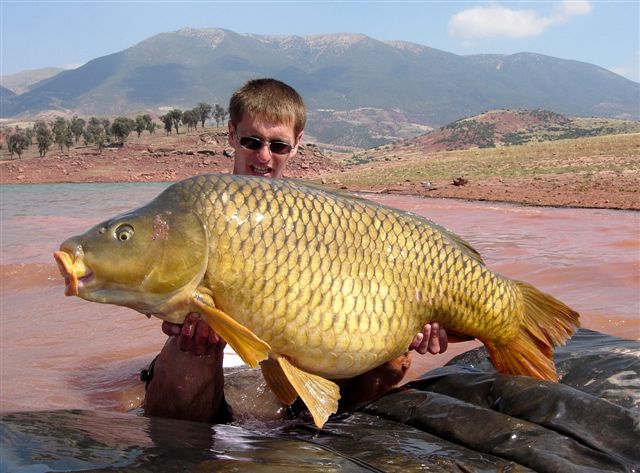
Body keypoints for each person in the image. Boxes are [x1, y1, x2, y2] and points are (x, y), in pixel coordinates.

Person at [143, 78, 448, 422]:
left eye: (278, 146)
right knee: (190, 353)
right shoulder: (202, 209)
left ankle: (312, 428)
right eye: (251, 141)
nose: (263, 156)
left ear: (297, 144)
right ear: (231, 134)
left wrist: (413, 325)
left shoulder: (316, 216)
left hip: (292, 366)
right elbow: (148, 281)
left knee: (395, 360)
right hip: (218, 366)